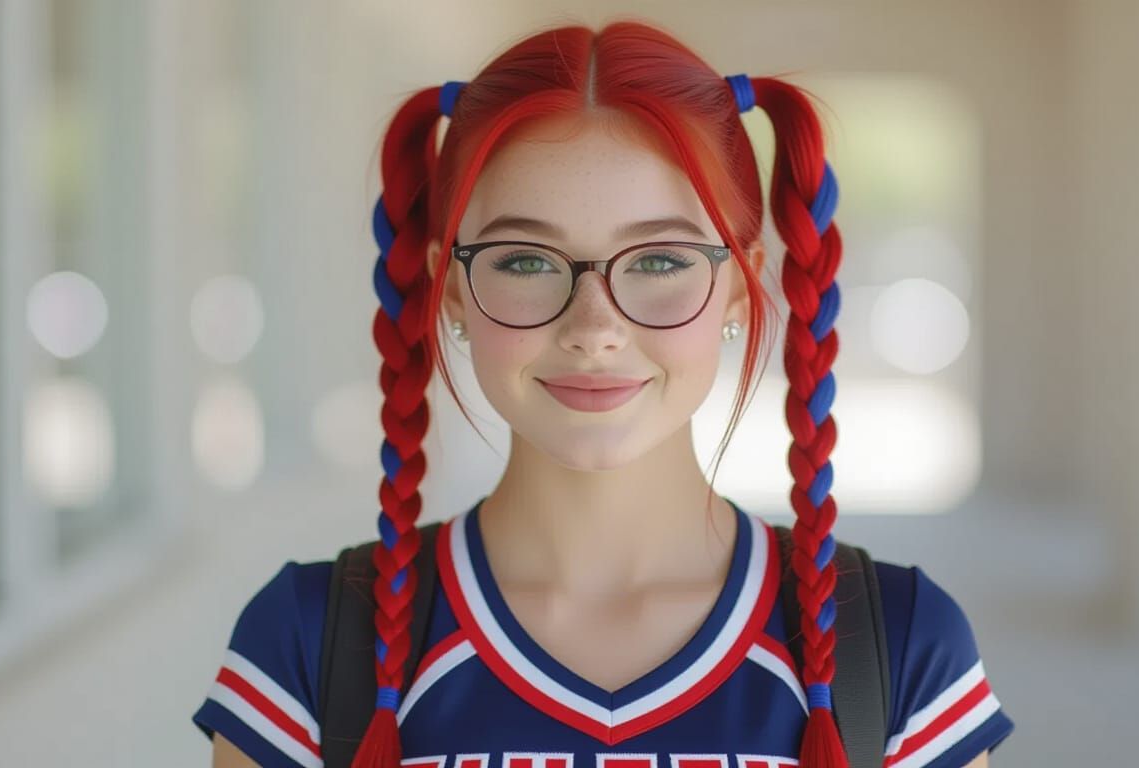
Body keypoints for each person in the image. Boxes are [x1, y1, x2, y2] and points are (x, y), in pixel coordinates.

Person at [192, 19, 1014, 768]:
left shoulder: (900, 649)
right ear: (446, 286)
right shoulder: (307, 648)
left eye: (659, 261)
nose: (594, 326)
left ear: (742, 287)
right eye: (523, 260)